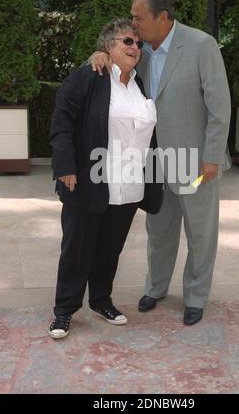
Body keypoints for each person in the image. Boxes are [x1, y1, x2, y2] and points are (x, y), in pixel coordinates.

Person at [90, 0, 231, 326]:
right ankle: (156, 287)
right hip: (153, 162)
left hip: (196, 162)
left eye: (139, 18)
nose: (133, 26)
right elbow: (111, 67)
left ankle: (196, 296)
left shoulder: (201, 45)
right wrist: (99, 56)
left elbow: (219, 106)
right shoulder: (140, 50)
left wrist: (211, 156)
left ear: (163, 16)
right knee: (159, 229)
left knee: (200, 232)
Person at [49, 18, 161, 339]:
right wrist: (65, 167)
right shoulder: (91, 75)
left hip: (128, 187)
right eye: (127, 41)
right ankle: (63, 311)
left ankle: (100, 300)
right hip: (89, 181)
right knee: (77, 248)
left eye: (138, 44)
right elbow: (63, 123)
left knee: (109, 250)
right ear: (108, 46)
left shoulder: (139, 85)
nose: (135, 48)